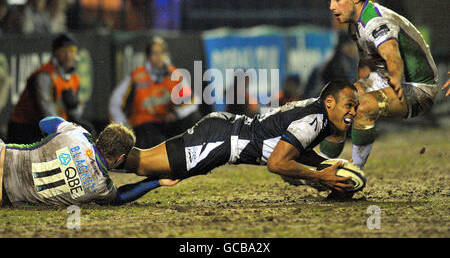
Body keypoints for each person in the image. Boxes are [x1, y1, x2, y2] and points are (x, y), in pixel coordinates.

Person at [122, 79, 358, 193]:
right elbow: (277, 163)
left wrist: (324, 165)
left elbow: (296, 148)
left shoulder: (318, 113)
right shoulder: (314, 120)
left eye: (355, 107)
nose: (353, 112)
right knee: (143, 165)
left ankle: (102, 157)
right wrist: (318, 176)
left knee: (148, 163)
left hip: (222, 135)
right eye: (349, 105)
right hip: (221, 139)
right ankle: (98, 157)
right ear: (330, 102)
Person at [320, 0, 439, 169]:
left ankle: (353, 175)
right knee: (338, 104)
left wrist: (393, 77)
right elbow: (366, 63)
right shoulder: (355, 23)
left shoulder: (375, 21)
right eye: (330, 1)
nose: (332, 6)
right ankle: (320, 168)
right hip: (384, 79)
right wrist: (356, 89)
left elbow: (391, 53)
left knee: (363, 107)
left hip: (418, 88)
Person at [0, 116, 177, 207]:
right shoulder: (101, 187)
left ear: (100, 137)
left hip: (4, 155)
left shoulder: (78, 135)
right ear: (120, 158)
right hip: (6, 194)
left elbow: (45, 123)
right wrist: (157, 181)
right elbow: (121, 197)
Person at [109, 36, 200, 148]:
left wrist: (177, 113)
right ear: (148, 56)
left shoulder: (175, 74)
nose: (158, 57)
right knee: (157, 141)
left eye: (161, 53)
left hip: (166, 122)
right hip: (144, 126)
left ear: (166, 54)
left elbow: (193, 101)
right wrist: (124, 127)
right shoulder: (136, 77)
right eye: (154, 53)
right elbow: (115, 103)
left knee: (194, 118)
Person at [7, 33, 88, 144]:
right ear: (55, 53)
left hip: (53, 128)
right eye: (64, 51)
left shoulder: (74, 77)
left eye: (72, 51)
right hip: (26, 128)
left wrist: (73, 107)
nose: (68, 55)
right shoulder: (45, 75)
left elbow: (77, 113)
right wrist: (64, 130)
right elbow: (47, 111)